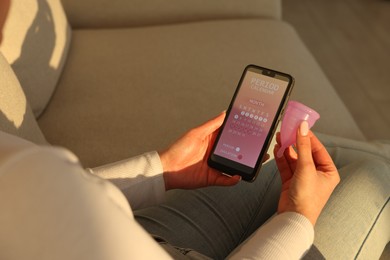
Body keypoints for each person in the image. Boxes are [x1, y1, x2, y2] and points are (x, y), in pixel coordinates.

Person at [0, 2, 388, 258]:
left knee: (295, 161)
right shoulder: (26, 176)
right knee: (378, 176)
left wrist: (162, 169)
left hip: (141, 235)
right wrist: (296, 219)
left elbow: (65, 198)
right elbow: (52, 196)